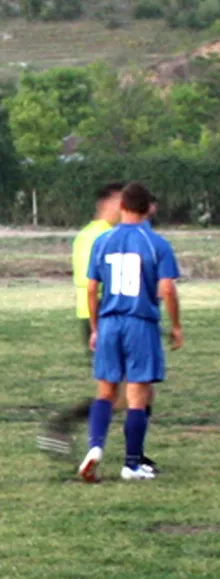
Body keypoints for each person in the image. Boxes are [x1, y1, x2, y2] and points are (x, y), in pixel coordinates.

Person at [78, 183, 183, 483]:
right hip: (140, 322)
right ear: (149, 208)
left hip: (109, 321)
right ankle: (132, 463)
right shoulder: (157, 244)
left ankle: (95, 447)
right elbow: (166, 288)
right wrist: (176, 326)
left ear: (122, 205)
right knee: (137, 394)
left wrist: (96, 327)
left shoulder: (103, 241)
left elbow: (91, 288)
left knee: (106, 391)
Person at [37, 183, 126, 460]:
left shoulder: (93, 234)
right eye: (122, 202)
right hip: (100, 319)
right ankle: (61, 427)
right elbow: (95, 284)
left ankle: (130, 455)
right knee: (122, 395)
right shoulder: (100, 236)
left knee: (129, 393)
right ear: (108, 203)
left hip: (101, 319)